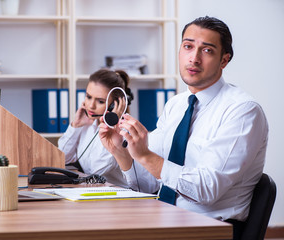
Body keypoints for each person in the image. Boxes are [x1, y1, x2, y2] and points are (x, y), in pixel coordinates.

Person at [98, 16, 268, 239]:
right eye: (188, 47)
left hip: (210, 230)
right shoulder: (176, 105)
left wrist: (147, 157)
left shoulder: (243, 111)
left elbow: (207, 190)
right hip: (166, 220)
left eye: (207, 50)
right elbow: (149, 185)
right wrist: (123, 153)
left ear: (224, 60)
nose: (194, 58)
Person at [58, 69, 134, 187]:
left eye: (100, 101)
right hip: (94, 192)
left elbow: (97, 169)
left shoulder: (124, 130)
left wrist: (110, 124)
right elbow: (61, 159)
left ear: (115, 104)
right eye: (88, 97)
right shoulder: (88, 124)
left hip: (119, 198)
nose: (91, 105)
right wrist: (75, 126)